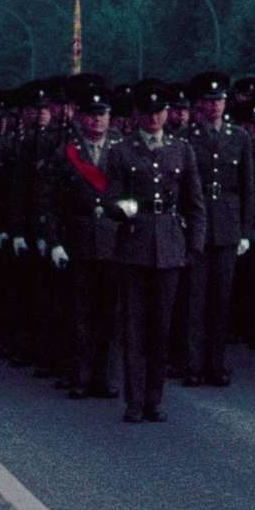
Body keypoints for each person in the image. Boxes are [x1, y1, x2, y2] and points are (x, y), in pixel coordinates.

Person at [105, 82, 204, 423]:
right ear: (137, 115)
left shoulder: (181, 149)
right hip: (135, 244)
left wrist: (194, 245)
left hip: (171, 245)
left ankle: (154, 399)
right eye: (147, 112)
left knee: (161, 328)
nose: (154, 117)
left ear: (166, 113)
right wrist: (134, 210)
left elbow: (195, 204)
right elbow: (111, 201)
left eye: (159, 111)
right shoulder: (122, 151)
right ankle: (134, 401)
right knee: (135, 327)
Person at [37, 78, 123, 400]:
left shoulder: (123, 150)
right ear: (80, 118)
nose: (97, 120)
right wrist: (55, 241)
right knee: (80, 314)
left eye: (102, 114)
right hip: (79, 241)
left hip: (114, 242)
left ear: (110, 116)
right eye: (90, 114)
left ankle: (108, 378)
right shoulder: (66, 153)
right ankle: (81, 377)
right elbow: (49, 201)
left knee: (111, 315)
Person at [179, 72, 255, 387]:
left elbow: (248, 188)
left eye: (219, 101)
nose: (215, 107)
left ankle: (216, 363)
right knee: (194, 300)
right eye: (209, 102)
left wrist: (246, 232)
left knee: (221, 301)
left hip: (227, 225)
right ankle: (193, 365)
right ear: (199, 105)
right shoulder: (186, 137)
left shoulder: (239, 137)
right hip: (196, 226)